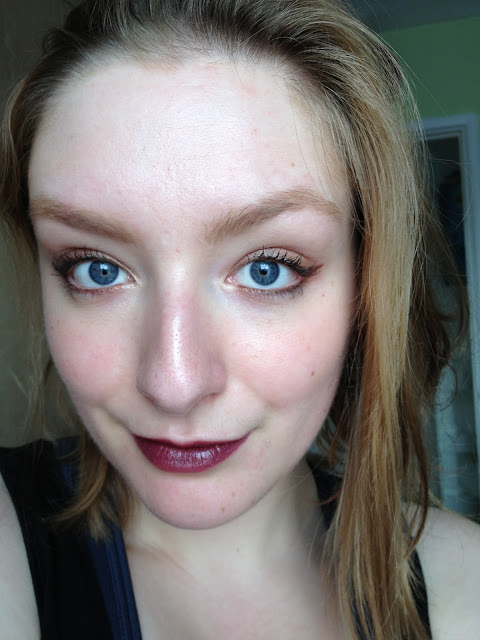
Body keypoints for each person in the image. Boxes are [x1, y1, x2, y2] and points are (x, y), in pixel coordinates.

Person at [0, 0, 479, 638]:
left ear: (363, 286)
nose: (174, 384)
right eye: (97, 269)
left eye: (267, 270)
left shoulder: (464, 582)